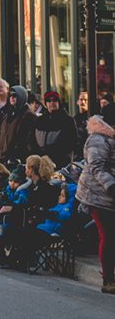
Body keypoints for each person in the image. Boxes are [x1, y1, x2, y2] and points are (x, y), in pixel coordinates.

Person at [77, 114, 115, 294]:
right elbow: (97, 166)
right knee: (108, 235)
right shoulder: (98, 138)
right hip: (98, 194)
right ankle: (108, 280)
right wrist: (112, 186)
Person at [33, 91, 78, 168]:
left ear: (59, 102)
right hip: (41, 162)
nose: (52, 103)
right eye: (49, 101)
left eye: (54, 100)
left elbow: (72, 142)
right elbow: (33, 140)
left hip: (61, 162)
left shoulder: (67, 120)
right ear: (45, 103)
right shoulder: (39, 120)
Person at [0, 85, 36, 164]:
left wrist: (17, 154)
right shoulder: (8, 114)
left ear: (21, 96)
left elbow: (26, 139)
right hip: (4, 157)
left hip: (19, 158)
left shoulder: (28, 115)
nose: (12, 97)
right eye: (10, 95)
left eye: (14, 95)